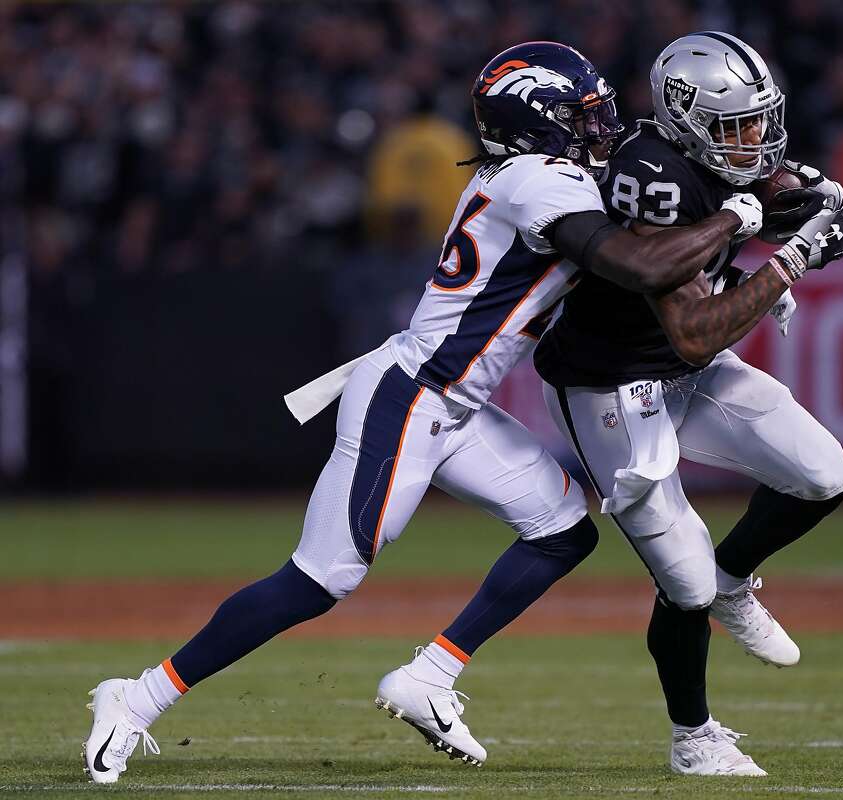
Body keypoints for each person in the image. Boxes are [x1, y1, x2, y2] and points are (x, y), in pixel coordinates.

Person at [81, 41, 772, 784]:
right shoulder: (539, 180)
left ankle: (431, 677)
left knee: (565, 528)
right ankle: (136, 697)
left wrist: (770, 195)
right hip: (414, 395)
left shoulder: (552, 175)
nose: (601, 123)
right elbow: (639, 265)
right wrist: (739, 217)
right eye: (583, 113)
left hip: (458, 407)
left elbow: (656, 211)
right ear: (538, 123)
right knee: (322, 578)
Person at [533, 32, 843, 776]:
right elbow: (689, 331)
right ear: (686, 121)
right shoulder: (648, 177)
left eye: (760, 120)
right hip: (611, 384)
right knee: (679, 581)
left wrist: (798, 209)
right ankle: (693, 736)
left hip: (690, 370)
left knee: (823, 473)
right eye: (737, 127)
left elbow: (757, 202)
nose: (755, 140)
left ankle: (733, 578)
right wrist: (789, 263)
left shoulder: (712, 160)